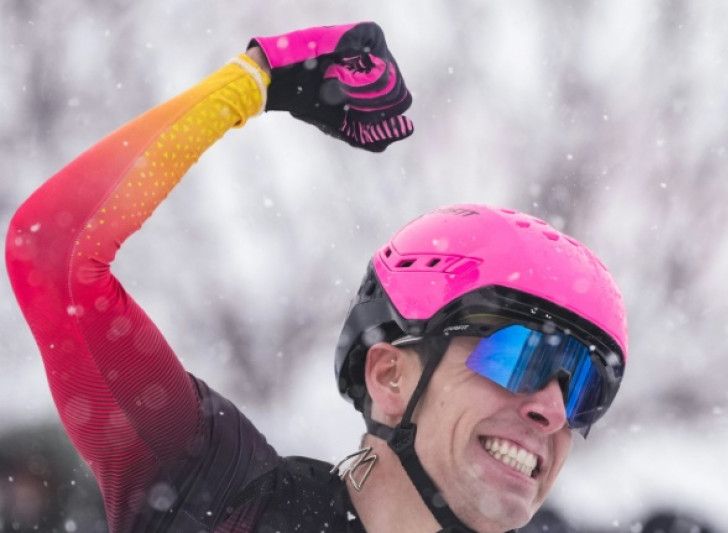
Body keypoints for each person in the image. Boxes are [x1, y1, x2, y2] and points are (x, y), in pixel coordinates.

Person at [5, 21, 627, 533]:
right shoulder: (226, 499)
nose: (551, 409)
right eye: (518, 355)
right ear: (389, 375)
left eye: (585, 390)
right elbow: (53, 254)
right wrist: (253, 82)